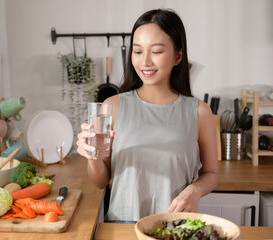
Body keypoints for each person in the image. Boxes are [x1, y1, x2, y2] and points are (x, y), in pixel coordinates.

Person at [76, 8, 218, 222]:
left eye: (157, 51)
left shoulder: (199, 112)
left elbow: (211, 174)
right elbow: (100, 181)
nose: (145, 62)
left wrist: (194, 190)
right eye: (138, 51)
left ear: (178, 56)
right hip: (122, 227)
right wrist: (93, 157)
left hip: (175, 226)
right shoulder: (109, 107)